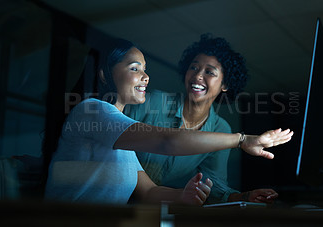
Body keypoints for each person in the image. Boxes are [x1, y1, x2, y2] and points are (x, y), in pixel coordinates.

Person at [44, 38, 293, 206]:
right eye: (135, 68)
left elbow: (149, 191)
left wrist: (184, 195)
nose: (146, 76)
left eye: (145, 69)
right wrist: (242, 140)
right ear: (104, 74)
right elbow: (166, 141)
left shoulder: (122, 138)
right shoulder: (92, 111)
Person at [125, 34, 282, 204]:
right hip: (112, 199)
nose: (198, 75)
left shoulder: (220, 129)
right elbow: (117, 146)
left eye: (209, 72)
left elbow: (215, 186)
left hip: (156, 210)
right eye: (193, 67)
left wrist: (244, 197)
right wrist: (242, 140)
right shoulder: (153, 102)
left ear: (225, 85)